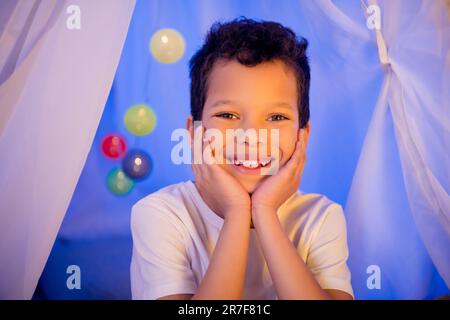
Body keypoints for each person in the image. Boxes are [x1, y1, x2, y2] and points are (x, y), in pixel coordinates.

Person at [130, 17, 354, 300]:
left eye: (276, 117)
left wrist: (265, 212)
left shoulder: (321, 218)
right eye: (228, 115)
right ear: (194, 132)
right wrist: (237, 212)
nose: (251, 135)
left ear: (302, 135)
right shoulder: (160, 214)